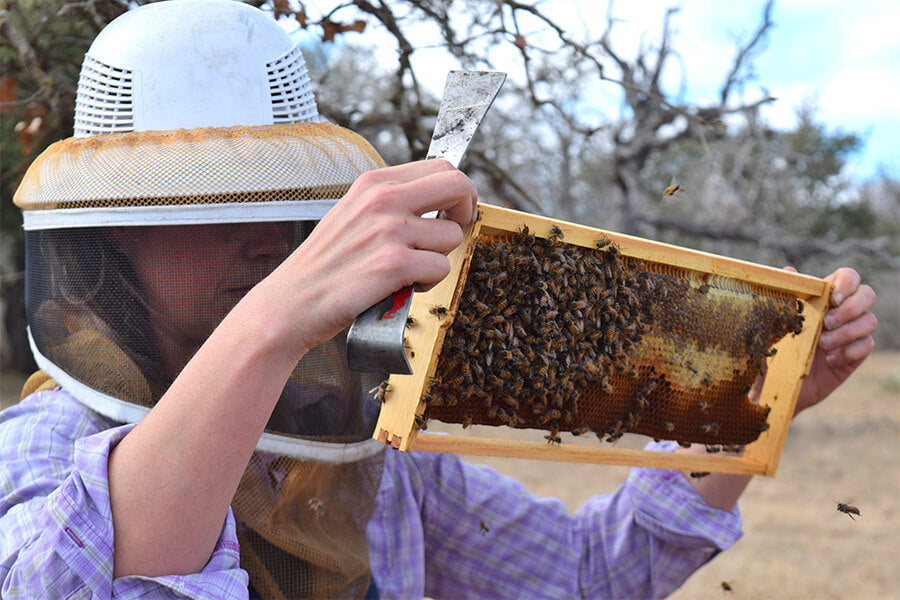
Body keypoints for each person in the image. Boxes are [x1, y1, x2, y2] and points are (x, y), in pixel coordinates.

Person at [0, 1, 878, 599]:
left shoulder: (360, 453)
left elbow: (582, 576)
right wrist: (274, 317)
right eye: (214, 205)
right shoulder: (42, 451)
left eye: (288, 207)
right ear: (107, 241)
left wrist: (749, 406)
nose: (267, 238)